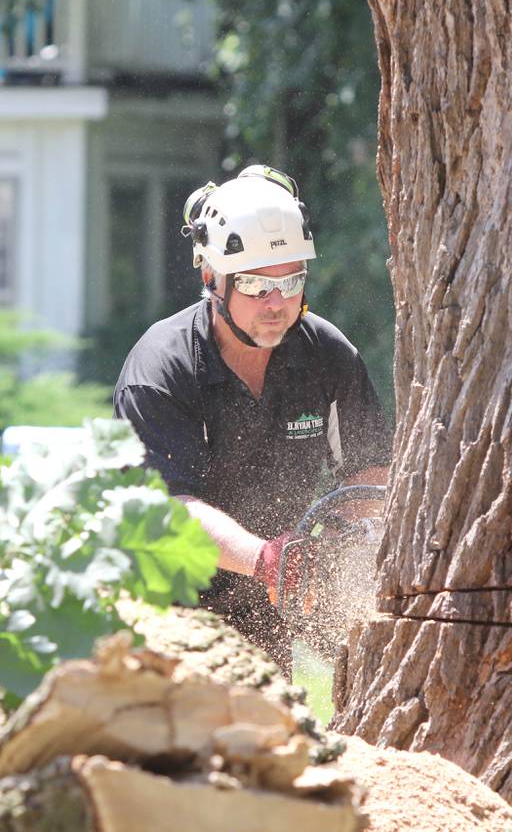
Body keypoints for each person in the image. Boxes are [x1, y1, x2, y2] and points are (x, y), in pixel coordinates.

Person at [114, 165, 391, 673]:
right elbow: (166, 508)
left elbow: (370, 472)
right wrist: (266, 559)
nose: (276, 303)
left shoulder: (327, 355)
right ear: (210, 277)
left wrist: (347, 543)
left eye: (290, 281)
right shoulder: (160, 369)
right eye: (254, 284)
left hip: (263, 613)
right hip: (162, 614)